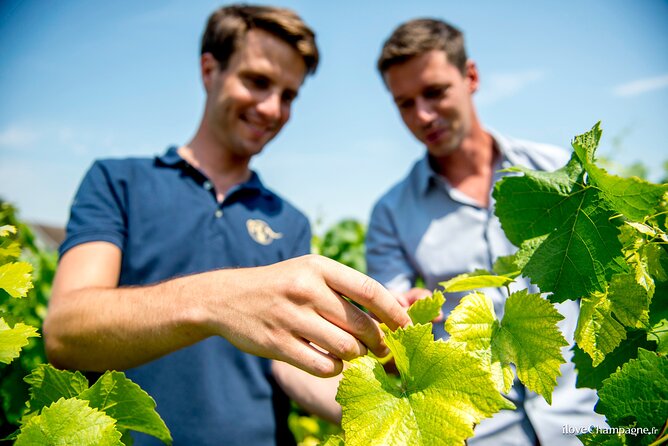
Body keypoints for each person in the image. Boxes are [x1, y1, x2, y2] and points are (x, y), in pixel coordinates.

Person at [43, 5, 410, 445]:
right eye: (257, 81)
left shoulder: (286, 220)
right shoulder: (118, 182)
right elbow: (66, 331)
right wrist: (216, 301)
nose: (272, 107)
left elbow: (289, 366)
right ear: (209, 69)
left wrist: (390, 390)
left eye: (289, 95)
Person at [366, 18, 605, 445]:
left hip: (589, 417)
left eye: (435, 92)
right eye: (404, 103)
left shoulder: (554, 171)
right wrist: (400, 313)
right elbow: (390, 326)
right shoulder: (390, 212)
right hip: (483, 432)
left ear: (470, 77)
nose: (423, 115)